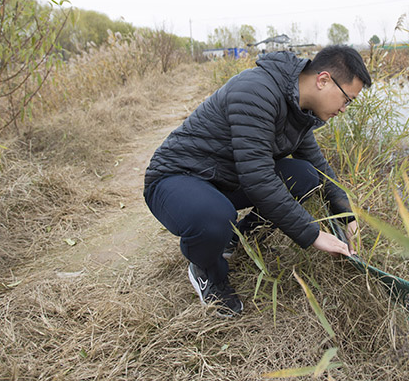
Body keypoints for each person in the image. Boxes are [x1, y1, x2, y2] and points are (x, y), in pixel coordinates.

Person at [143, 45, 372, 317]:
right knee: (216, 215)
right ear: (323, 80)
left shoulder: (299, 109)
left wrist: (346, 215)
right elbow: (258, 179)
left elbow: (318, 167)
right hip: (177, 177)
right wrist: (312, 235)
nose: (345, 109)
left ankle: (235, 241)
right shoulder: (256, 91)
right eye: (347, 99)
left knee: (306, 177)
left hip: (224, 179)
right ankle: (207, 271)